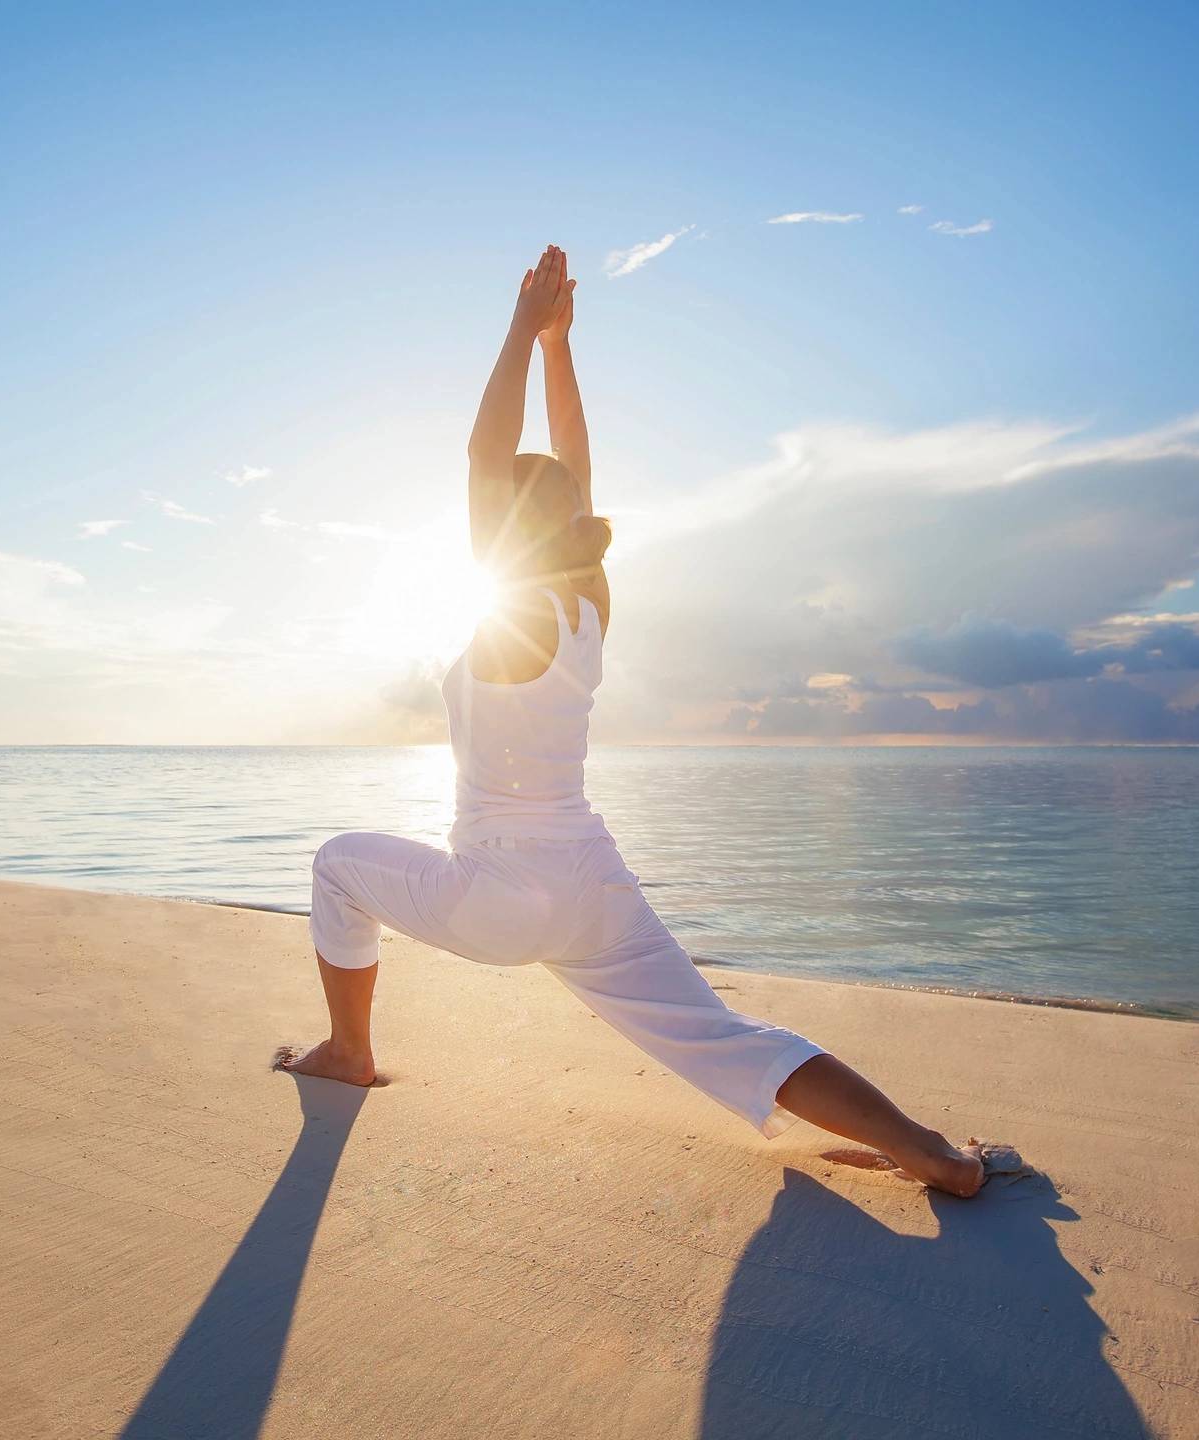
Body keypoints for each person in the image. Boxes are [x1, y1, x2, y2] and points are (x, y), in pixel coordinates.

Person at [277, 245, 986, 1198]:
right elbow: (574, 469)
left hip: (498, 885)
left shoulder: (518, 610)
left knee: (335, 865)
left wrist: (521, 329)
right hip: (593, 881)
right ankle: (929, 1153)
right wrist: (562, 349)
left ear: (509, 532)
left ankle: (347, 1053)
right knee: (728, 1039)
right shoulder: (584, 607)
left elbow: (489, 457)